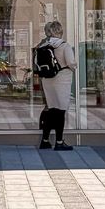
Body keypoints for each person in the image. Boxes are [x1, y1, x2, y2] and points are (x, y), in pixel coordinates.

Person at [36, 21, 76, 150]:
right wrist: (74, 67)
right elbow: (71, 63)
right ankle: (59, 142)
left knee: (51, 109)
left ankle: (45, 140)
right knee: (60, 111)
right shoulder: (64, 46)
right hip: (62, 81)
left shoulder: (43, 45)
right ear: (60, 31)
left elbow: (37, 62)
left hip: (47, 80)